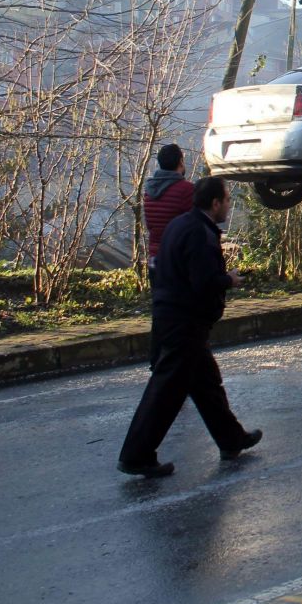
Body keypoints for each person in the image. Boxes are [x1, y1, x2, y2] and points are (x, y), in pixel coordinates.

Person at [118, 177, 261, 478]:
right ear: (215, 204)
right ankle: (136, 455)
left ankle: (231, 439)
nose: (229, 206)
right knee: (165, 392)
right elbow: (203, 282)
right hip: (184, 323)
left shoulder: (180, 224)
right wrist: (229, 280)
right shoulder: (200, 234)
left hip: (173, 318)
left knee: (207, 384)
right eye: (227, 200)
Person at [142, 144, 194, 279]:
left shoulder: (149, 190)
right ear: (181, 161)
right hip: (178, 260)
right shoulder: (186, 189)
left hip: (156, 259)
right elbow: (196, 226)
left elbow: (150, 226)